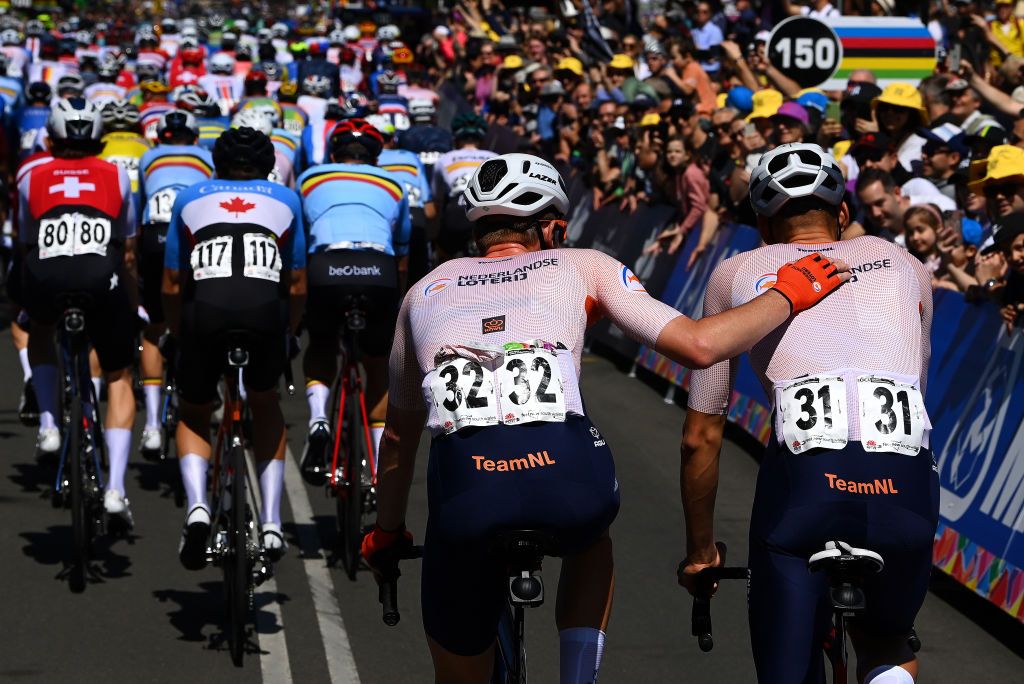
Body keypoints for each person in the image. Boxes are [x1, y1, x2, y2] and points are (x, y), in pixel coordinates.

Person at [361, 151, 849, 683]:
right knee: (590, 536)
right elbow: (700, 346)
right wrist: (790, 292)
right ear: (555, 228)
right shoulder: (584, 265)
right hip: (565, 477)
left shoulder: (424, 291)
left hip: (467, 492)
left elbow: (400, 438)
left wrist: (386, 533)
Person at [679, 143, 936, 684]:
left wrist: (701, 551)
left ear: (763, 224)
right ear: (842, 213)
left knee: (786, 670)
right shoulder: (907, 266)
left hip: (806, 490)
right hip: (904, 482)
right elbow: (917, 381)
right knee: (888, 638)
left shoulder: (735, 273)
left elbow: (701, 434)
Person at [163, 126, 306, 568]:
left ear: (215, 163)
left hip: (205, 312)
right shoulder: (286, 199)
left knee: (195, 409)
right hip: (264, 313)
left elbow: (172, 281)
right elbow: (297, 282)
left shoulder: (189, 197)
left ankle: (197, 507)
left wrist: (176, 333)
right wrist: (290, 332)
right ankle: (270, 522)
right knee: (265, 403)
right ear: (268, 167)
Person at [14, 97, 139, 529]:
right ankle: (116, 491)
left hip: (46, 270)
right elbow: (126, 249)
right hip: (98, 272)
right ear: (100, 141)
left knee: (40, 331)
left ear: (51, 138)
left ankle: (49, 425)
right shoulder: (117, 175)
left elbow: (25, 241)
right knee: (121, 373)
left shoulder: (31, 174)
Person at [294, 118, 410, 484]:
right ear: (376, 156)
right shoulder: (393, 183)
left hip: (327, 263)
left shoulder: (309, 178)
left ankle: (318, 419)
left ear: (333, 152)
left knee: (322, 347)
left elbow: (298, 237)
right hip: (378, 268)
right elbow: (402, 250)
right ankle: (378, 466)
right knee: (377, 366)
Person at [136, 110, 214, 455]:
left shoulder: (148, 157)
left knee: (155, 326)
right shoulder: (207, 157)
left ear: (159, 138)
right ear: (195, 139)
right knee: (203, 319)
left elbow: (139, 207)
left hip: (155, 233)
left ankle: (152, 424)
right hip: (194, 232)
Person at [432, 112, 497, 259]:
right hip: (488, 210)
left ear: (456, 138)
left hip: (457, 209)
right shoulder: (494, 156)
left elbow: (436, 202)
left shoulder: (445, 158)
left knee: (443, 257)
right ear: (481, 139)